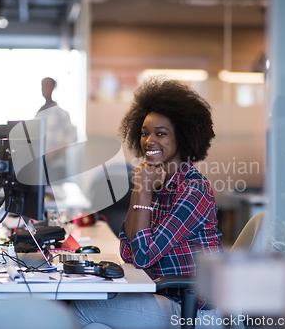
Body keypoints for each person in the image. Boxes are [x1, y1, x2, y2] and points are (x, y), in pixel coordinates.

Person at [69, 76, 224, 329]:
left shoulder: (194, 189)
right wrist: (142, 189)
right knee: (95, 325)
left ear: (183, 138)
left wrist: (142, 190)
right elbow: (128, 251)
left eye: (160, 133)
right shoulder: (158, 181)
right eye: (144, 133)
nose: (149, 141)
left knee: (83, 307)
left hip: (194, 309)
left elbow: (143, 256)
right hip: (165, 296)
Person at [35, 77, 77, 183]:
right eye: (42, 86)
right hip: (41, 165)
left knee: (55, 196)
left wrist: (53, 151)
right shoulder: (39, 113)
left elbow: (73, 136)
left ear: (53, 88)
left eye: (47, 86)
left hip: (56, 165)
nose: (44, 89)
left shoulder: (60, 112)